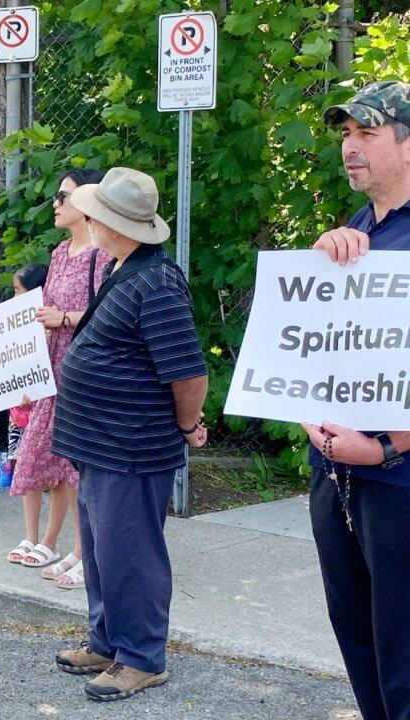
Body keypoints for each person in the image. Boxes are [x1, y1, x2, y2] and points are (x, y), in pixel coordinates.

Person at [50, 167, 208, 703]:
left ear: (108, 222)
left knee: (130, 551)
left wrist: (188, 427)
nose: (86, 219)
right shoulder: (126, 268)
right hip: (101, 442)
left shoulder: (157, 281)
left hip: (131, 444)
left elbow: (187, 372)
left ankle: (142, 657)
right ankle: (107, 641)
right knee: (99, 549)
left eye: (92, 213)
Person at [299, 81, 410, 720]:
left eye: (366, 134)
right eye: (346, 135)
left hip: (397, 477)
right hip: (336, 470)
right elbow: (317, 350)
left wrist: (388, 444)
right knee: (358, 635)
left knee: (402, 645)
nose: (350, 148)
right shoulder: (359, 230)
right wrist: (318, 268)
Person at [8, 168, 112, 589]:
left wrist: (64, 318)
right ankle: (52, 542)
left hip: (85, 367)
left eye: (63, 194)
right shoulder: (58, 253)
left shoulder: (104, 256)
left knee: (79, 465)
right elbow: (43, 311)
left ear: (87, 204)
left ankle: (86, 553)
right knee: (44, 455)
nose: (55, 202)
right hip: (53, 366)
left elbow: (111, 314)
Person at [2, 263, 48, 545]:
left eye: (19, 291)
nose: (14, 297)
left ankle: (47, 539)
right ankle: (30, 536)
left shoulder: (47, 326)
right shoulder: (14, 326)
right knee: (26, 472)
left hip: (41, 409)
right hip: (19, 410)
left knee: (52, 475)